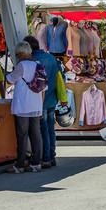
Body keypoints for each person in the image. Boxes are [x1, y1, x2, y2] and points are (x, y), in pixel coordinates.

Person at [26, 35, 62, 169]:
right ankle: (51, 155)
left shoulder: (34, 61)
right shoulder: (51, 58)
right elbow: (60, 77)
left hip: (40, 100)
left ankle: (46, 157)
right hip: (52, 98)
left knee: (43, 130)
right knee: (50, 129)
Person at [8, 43, 45, 172]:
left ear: (22, 54)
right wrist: (40, 106)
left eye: (17, 55)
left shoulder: (22, 65)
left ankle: (20, 165)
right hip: (36, 104)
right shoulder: (39, 64)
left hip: (23, 105)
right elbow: (43, 88)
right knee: (36, 134)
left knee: (22, 135)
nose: (17, 57)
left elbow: (10, 80)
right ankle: (36, 163)